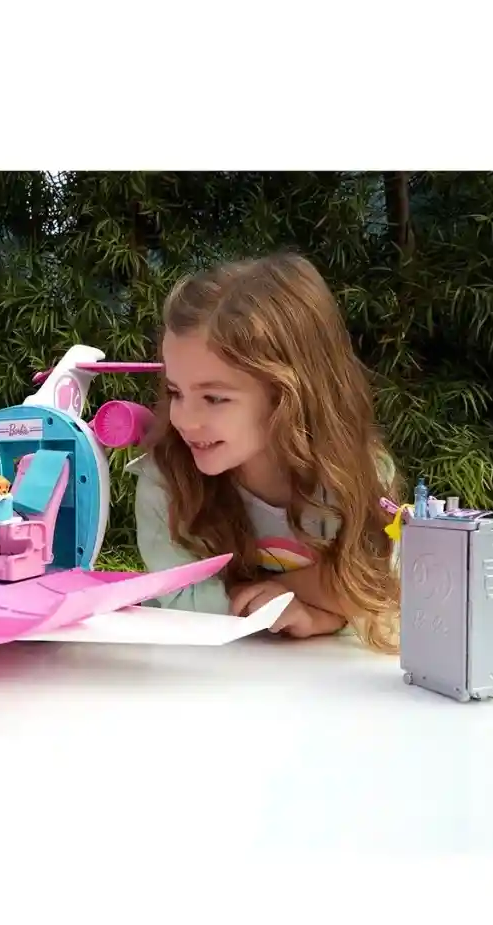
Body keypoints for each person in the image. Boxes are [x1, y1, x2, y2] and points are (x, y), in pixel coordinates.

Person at [128, 252, 401, 653]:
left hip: (325, 681)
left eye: (214, 398)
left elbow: (384, 584)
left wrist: (318, 612)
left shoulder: (357, 474)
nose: (183, 419)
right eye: (175, 392)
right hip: (197, 680)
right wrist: (324, 599)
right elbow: (187, 606)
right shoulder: (165, 480)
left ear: (289, 395)